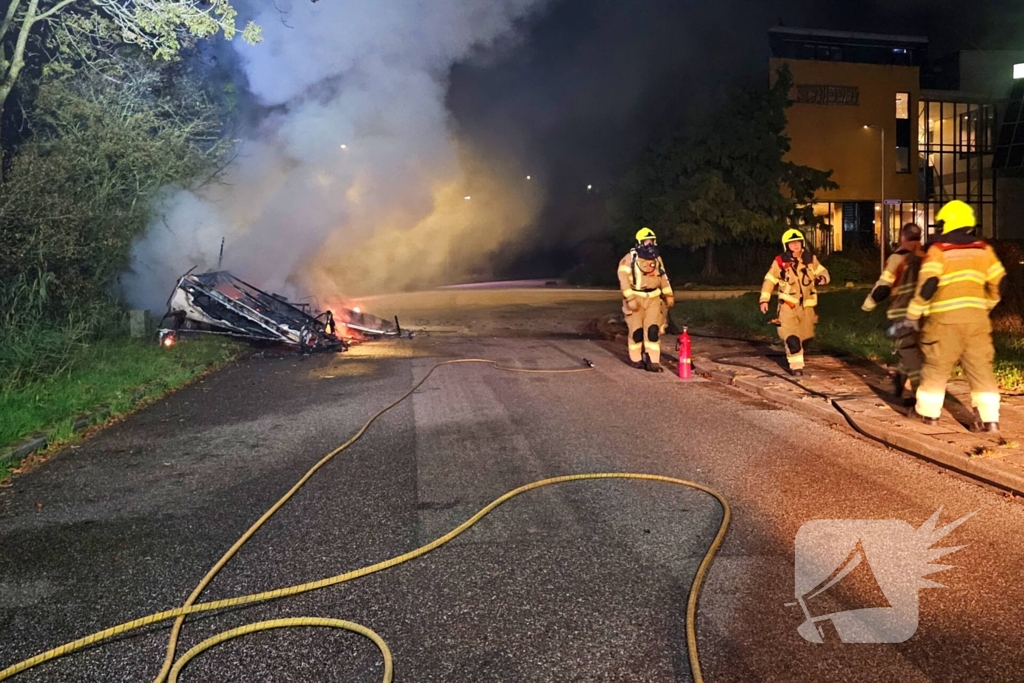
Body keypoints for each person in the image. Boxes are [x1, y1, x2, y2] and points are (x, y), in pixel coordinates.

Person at [898, 200, 1006, 432]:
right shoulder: (984, 250)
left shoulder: (939, 251)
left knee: (936, 367)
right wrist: (986, 304)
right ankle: (989, 420)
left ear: (946, 223)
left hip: (944, 321)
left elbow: (928, 285)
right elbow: (1000, 282)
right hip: (976, 321)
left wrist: (913, 315)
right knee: (980, 368)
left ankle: (928, 414)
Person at [862, 223, 927, 403]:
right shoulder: (927, 256)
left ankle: (918, 396)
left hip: (902, 312)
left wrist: (867, 305)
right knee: (917, 351)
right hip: (925, 311)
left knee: (908, 350)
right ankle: (901, 376)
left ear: (902, 237)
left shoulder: (897, 258)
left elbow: (883, 287)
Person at [759, 228, 830, 376]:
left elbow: (822, 271)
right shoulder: (780, 262)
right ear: (786, 246)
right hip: (787, 306)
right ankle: (796, 366)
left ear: (802, 243)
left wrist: (823, 278)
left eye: (797, 242)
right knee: (792, 338)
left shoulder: (810, 259)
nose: (795, 245)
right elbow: (769, 280)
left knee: (805, 337)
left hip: (807, 307)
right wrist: (764, 300)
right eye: (791, 243)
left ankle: (799, 354)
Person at [617, 227, 675, 371]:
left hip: (653, 299)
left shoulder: (657, 259)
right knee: (636, 331)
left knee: (653, 331)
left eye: (651, 241)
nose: (649, 245)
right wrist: (630, 298)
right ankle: (636, 358)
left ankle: (653, 360)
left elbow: (663, 278)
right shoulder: (629, 259)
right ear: (639, 243)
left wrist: (668, 295)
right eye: (646, 242)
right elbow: (623, 280)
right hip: (636, 299)